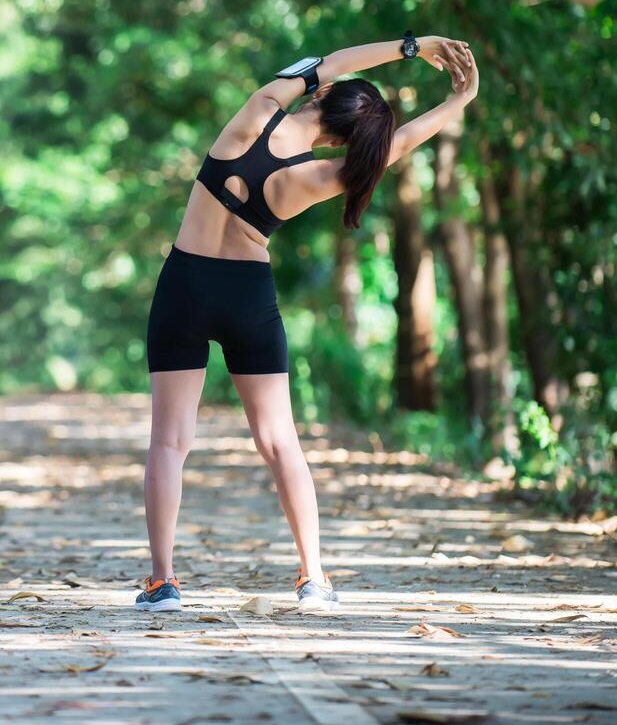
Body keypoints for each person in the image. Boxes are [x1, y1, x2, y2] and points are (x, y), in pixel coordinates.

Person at [136, 32, 479, 613]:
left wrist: (413, 47)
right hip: (248, 295)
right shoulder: (315, 178)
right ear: (343, 138)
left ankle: (162, 582)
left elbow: (334, 62)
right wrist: (455, 104)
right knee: (279, 441)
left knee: (170, 441)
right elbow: (390, 150)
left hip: (185, 285)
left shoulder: (258, 110)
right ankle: (312, 577)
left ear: (322, 99)